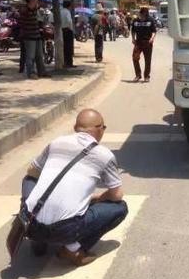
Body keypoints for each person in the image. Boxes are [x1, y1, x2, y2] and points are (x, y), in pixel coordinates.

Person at [21, 109, 127, 266]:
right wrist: (98, 199)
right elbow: (117, 195)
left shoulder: (56, 142)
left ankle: (37, 239)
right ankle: (73, 249)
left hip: (30, 222)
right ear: (99, 129)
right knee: (120, 208)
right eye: (103, 128)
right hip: (64, 229)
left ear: (75, 128)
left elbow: (32, 171)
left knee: (29, 179)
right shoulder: (104, 154)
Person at [19, 0, 49, 79]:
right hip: (29, 36)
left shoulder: (37, 9)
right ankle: (31, 73)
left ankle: (42, 72)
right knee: (30, 56)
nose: (37, 1)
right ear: (31, 0)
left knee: (39, 55)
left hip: (37, 35)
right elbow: (24, 15)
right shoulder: (24, 9)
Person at [130, 7, 157, 83]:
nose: (142, 16)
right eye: (141, 14)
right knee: (135, 58)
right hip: (138, 43)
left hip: (147, 43)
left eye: (144, 15)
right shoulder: (135, 21)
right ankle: (138, 75)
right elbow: (133, 30)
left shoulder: (150, 20)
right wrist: (133, 38)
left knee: (147, 60)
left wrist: (152, 38)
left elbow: (154, 31)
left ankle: (146, 76)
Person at [61, 0, 76, 68]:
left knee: (64, 47)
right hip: (68, 30)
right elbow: (69, 21)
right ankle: (69, 63)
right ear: (69, 6)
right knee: (69, 47)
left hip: (61, 31)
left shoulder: (60, 11)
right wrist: (71, 29)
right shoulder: (67, 12)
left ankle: (65, 62)